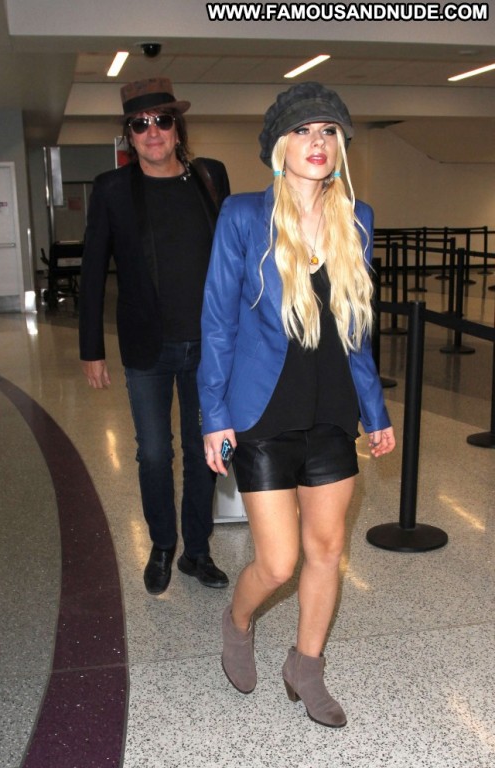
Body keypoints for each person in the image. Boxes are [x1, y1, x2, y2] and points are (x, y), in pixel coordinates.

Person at [197, 82, 396, 726]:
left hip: (331, 410)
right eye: (304, 131)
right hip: (262, 412)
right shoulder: (242, 216)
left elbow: (356, 327)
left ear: (340, 146)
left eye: (329, 131)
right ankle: (238, 621)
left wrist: (375, 411)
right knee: (278, 561)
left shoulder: (356, 219)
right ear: (279, 146)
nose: (318, 142)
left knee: (327, 549)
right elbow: (218, 322)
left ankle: (306, 665)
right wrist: (213, 416)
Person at [79, 77, 230, 596]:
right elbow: (92, 271)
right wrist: (91, 348)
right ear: (129, 135)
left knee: (206, 449)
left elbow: (231, 255)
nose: (153, 132)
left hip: (208, 346)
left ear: (177, 127)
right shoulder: (112, 189)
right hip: (148, 346)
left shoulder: (210, 177)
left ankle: (197, 550)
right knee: (152, 453)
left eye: (162, 120)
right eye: (140, 124)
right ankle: (163, 544)